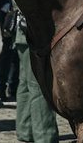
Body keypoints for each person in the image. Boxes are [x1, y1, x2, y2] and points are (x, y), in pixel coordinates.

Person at [15, 12, 59, 142]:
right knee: (40, 86)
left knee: (25, 84)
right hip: (33, 34)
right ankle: (44, 134)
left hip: (23, 33)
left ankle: (26, 129)